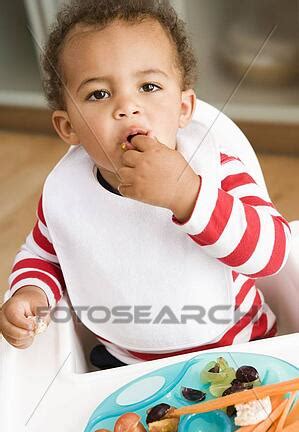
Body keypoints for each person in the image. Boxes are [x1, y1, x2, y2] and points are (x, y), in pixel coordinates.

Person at [0, 0, 291, 369]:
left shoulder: (217, 170)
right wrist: (29, 292)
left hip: (243, 350)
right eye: (98, 94)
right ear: (68, 127)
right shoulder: (67, 194)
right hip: (126, 366)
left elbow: (274, 253)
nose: (127, 106)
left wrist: (188, 195)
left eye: (148, 86)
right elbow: (44, 256)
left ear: (184, 107)